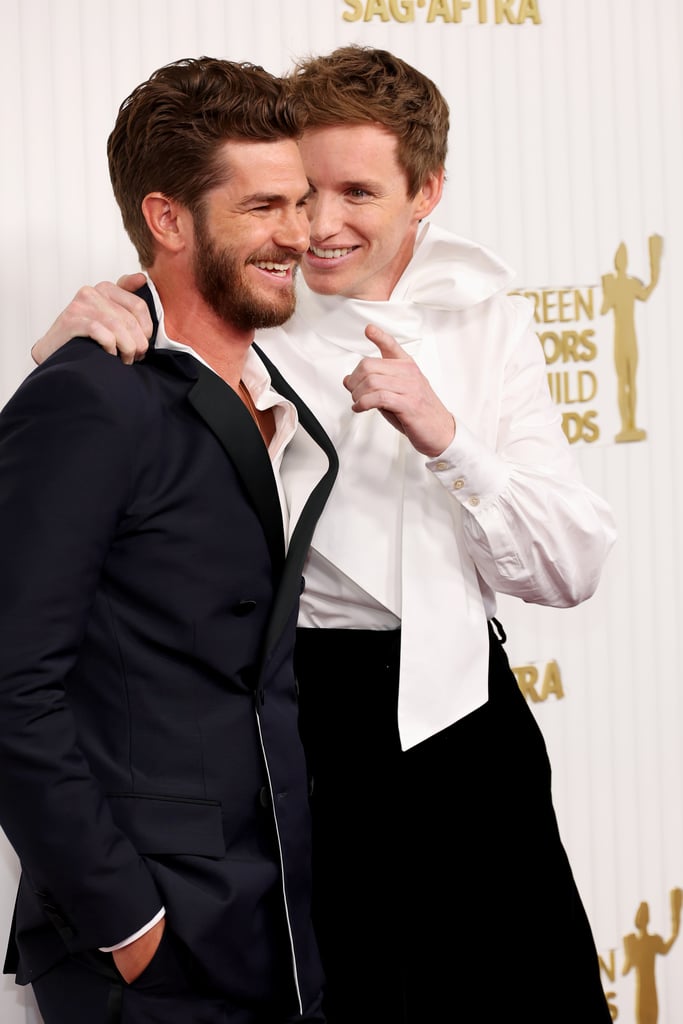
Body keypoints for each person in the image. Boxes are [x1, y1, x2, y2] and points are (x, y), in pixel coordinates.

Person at [31, 45, 617, 1023]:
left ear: (423, 191)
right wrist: (70, 332)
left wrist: (443, 433)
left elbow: (570, 565)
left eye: (357, 192)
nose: (321, 224)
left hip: (466, 712)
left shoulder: (482, 319)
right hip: (300, 719)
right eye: (303, 193)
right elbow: (107, 401)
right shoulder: (241, 291)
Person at [0, 56, 339, 1024]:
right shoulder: (88, 398)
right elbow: (10, 680)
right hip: (154, 935)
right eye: (264, 206)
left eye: (302, 200)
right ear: (167, 219)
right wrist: (123, 917)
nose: (300, 233)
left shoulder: (283, 388)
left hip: (273, 910)